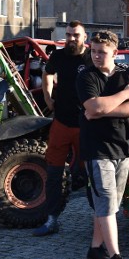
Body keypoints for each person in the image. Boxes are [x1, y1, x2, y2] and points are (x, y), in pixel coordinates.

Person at [76, 30, 129, 259]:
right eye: (93, 51)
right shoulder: (86, 77)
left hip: (123, 144)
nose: (95, 56)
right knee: (104, 198)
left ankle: (95, 248)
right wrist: (125, 95)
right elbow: (92, 108)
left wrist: (104, 108)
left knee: (111, 202)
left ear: (115, 52)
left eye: (101, 52)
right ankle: (115, 256)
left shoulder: (127, 72)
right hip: (97, 147)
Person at [32, 20, 91, 236]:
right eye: (68, 35)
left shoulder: (91, 58)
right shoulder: (58, 56)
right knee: (54, 173)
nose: (71, 39)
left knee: (91, 173)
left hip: (86, 123)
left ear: (85, 36)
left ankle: (100, 222)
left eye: (76, 35)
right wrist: (48, 97)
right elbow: (48, 73)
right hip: (61, 122)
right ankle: (51, 220)